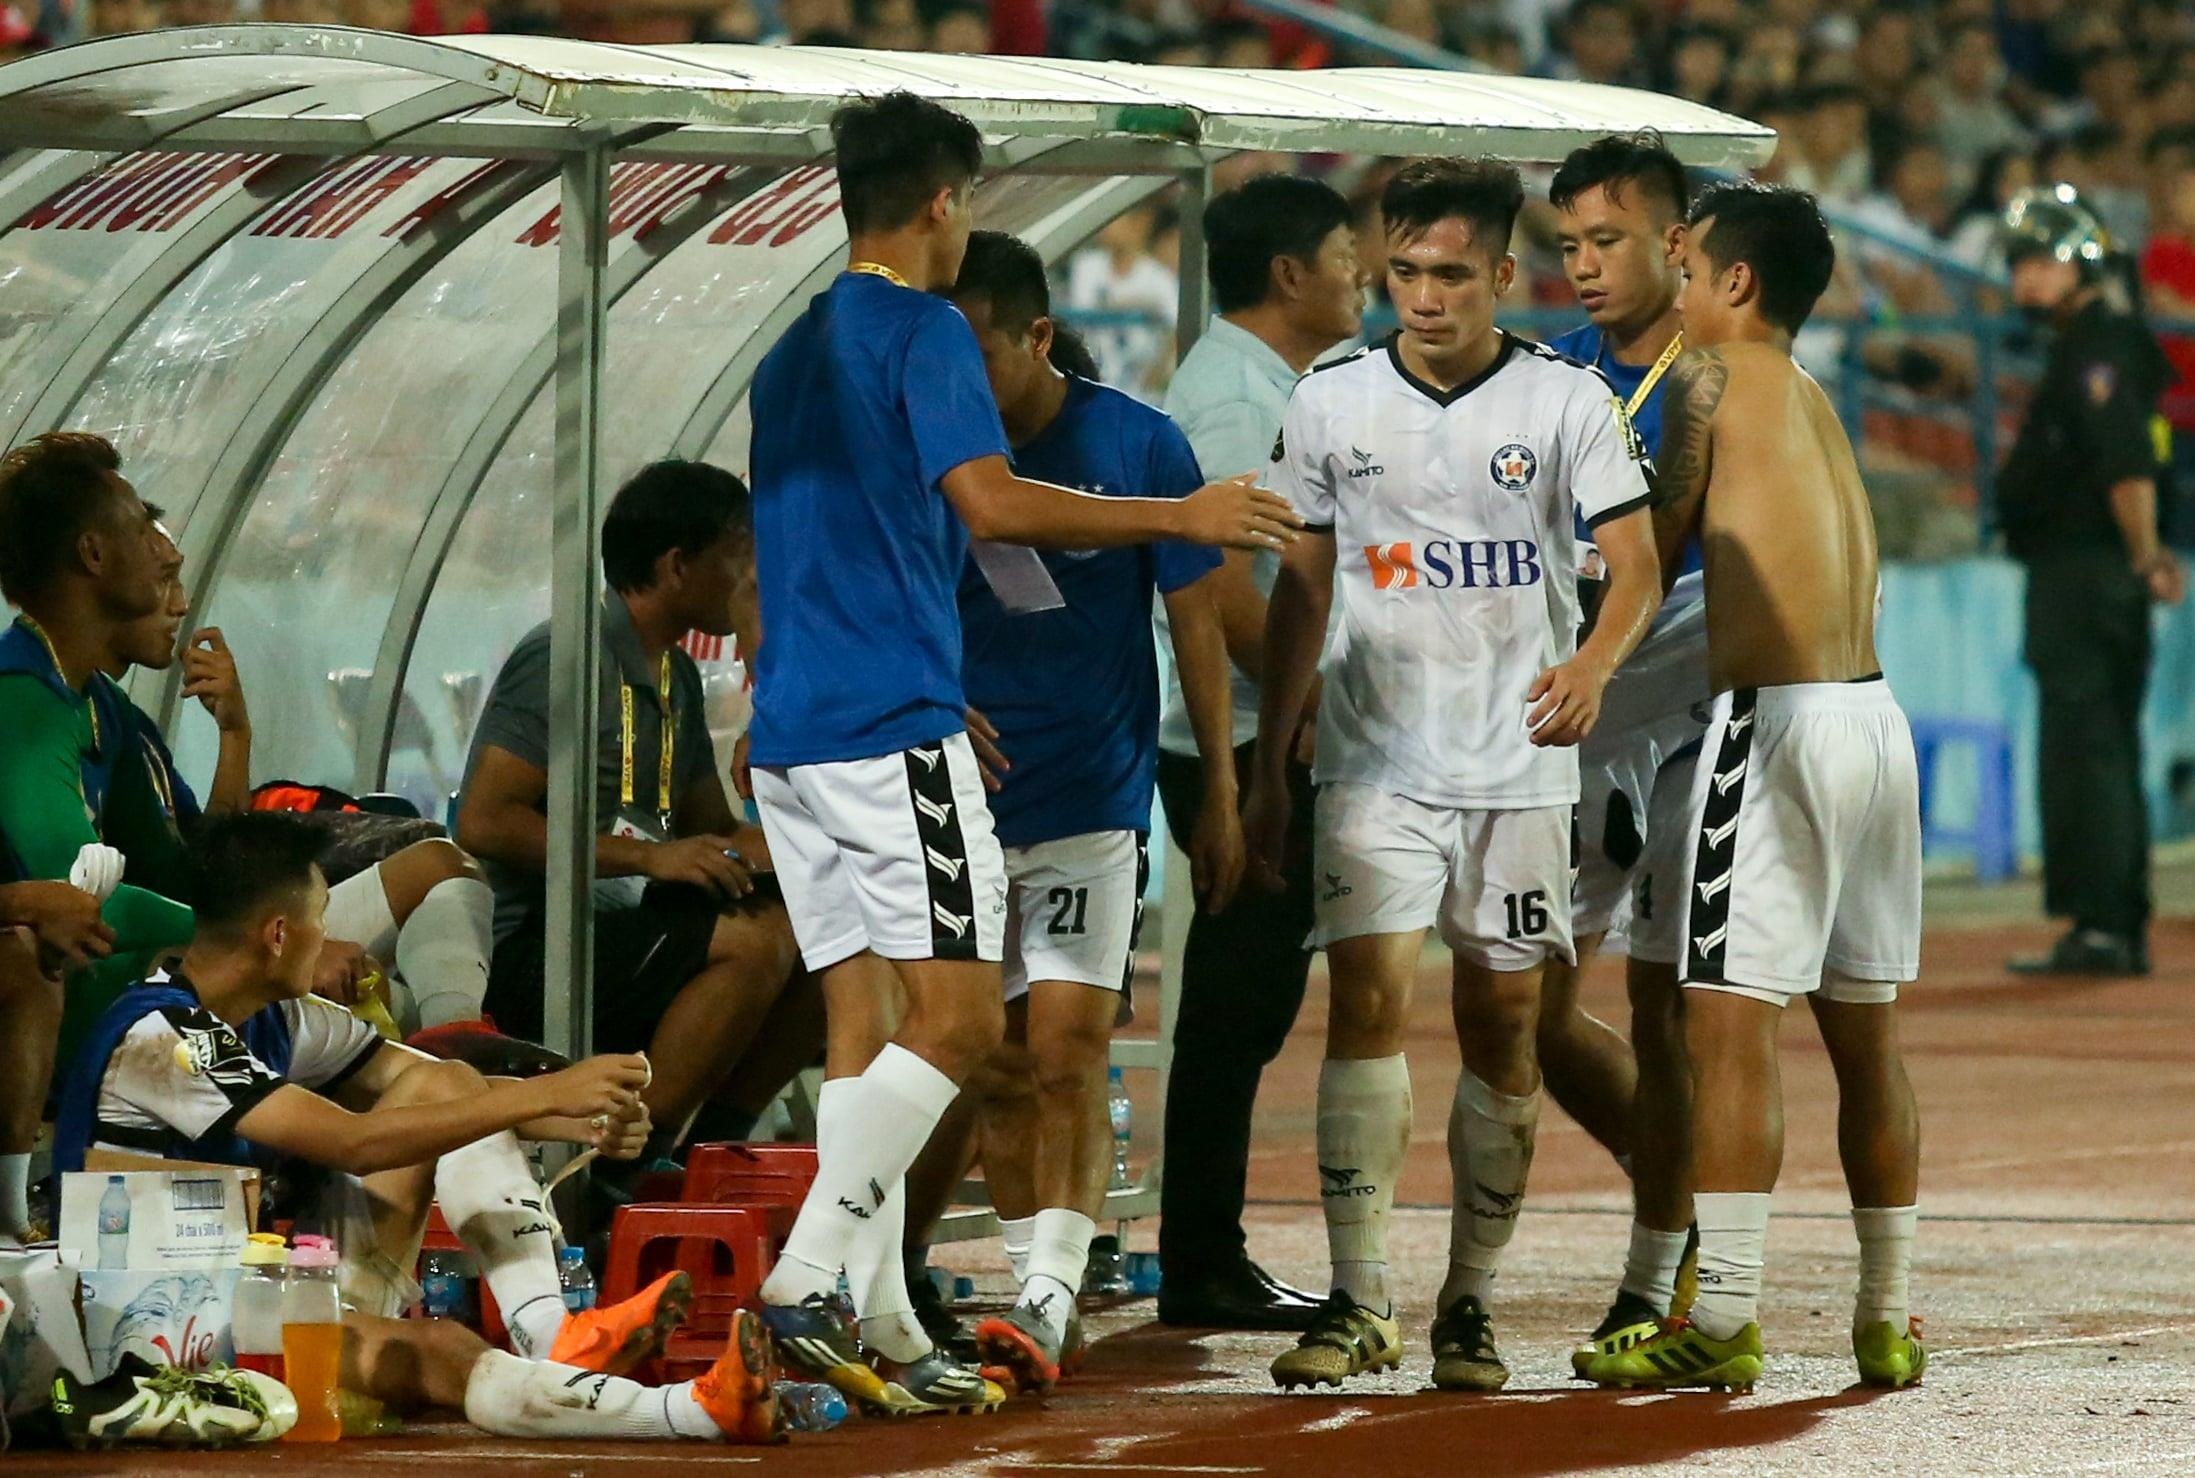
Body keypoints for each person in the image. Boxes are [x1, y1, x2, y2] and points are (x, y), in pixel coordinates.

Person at [740, 90, 1296, 1417]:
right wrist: (1180, 508)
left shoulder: (789, 345)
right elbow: (986, 501)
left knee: (864, 1030)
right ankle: (806, 1277)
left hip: (794, 734)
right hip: (892, 723)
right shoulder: (924, 326)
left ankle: (876, 1314)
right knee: (950, 1016)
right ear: (944, 201)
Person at [1247, 157, 1663, 1394]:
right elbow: (1302, 584)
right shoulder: (1329, 401)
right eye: (1402, 272)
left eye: (1447, 274)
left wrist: (1591, 660)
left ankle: (1466, 1302)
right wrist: (1271, 760)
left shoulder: (1565, 401)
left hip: (1519, 766)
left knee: (1502, 1031)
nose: (1421, 297)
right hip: (1374, 759)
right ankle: (1357, 1295)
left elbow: (1631, 565)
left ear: (1498, 273)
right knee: (1362, 1005)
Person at [51, 812, 784, 1444]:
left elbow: (434, 1085)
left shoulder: (270, 1018)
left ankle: (548, 1329)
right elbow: (351, 1143)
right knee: (437, 1352)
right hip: (146, 1333)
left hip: (241, 1293)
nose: (334, 939)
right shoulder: (164, 1034)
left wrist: (578, 1114)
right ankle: (687, 1411)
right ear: (279, 934)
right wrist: (538, 1099)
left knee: (443, 1080)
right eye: (321, 920)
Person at [1584, 181, 1927, 1393]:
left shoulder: (1709, 380)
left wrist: (1571, 654)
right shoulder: (1817, 398)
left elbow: (1640, 552)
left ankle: (1720, 1310)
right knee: (1864, 1035)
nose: (1671, 292)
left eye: (1685, 270)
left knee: (1724, 1022)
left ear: (1734, 284)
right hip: (1873, 724)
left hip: (1774, 723)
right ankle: (1886, 1313)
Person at [929, 231, 1241, 1393]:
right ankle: (1029, 1278)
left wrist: (1216, 781)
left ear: (1037, 336)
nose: (958, 387)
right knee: (996, 1063)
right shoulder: (932, 455)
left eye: (978, 357)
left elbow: (1196, 626)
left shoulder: (1137, 441)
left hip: (1093, 794)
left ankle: (1052, 1297)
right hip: (957, 802)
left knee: (1067, 1045)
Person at [1152, 170, 1366, 1333]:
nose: (1363, 274)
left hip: (1254, 727)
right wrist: (1293, 731)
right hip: (1237, 735)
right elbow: (1231, 591)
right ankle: (1198, 1256)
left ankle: (1204, 1249)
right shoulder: (1236, 403)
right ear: (1288, 273)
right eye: (1345, 252)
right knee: (1234, 1004)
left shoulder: (1268, 380)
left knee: (1248, 997)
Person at [458, 459, 815, 1151]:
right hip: (537, 946)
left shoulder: (674, 673)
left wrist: (834, 856)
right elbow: (486, 820)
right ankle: (631, 1157)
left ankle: (710, 1149)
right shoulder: (567, 655)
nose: (751, 578)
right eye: (739, 559)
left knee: (830, 938)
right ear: (678, 565)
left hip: (626, 926)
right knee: (750, 941)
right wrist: (649, 858)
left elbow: (710, 831)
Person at [1542, 132, 1714, 1374]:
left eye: (1607, 242)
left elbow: (1667, 550)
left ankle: (1661, 1269)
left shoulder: (1719, 379)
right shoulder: (1550, 371)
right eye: (1565, 246)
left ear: (1672, 243)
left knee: (1663, 1012)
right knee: (1531, 1012)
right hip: (1575, 724)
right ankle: (1683, 1202)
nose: (1585, 267)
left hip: (1689, 721)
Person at [104, 516, 498, 1034]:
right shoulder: (53, 716)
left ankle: (458, 1034)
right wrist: (287, 945)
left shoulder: (123, 718)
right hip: (191, 965)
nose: (180, 604)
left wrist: (235, 734)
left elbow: (209, 857)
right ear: (99, 571)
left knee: (439, 867)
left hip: (228, 932)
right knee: (395, 1009)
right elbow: (103, 911)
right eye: (163, 579)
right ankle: (456, 1042)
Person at [1996, 186, 2185, 978]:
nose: (2022, 282)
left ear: (2076, 264)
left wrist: (2144, 555)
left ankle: (2105, 925)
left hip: (2086, 574)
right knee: (2094, 745)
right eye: (2017, 266)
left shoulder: (2097, 349)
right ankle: (2105, 920)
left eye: (2037, 264)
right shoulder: (2095, 344)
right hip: (2083, 573)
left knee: (2087, 750)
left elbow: (2124, 466)